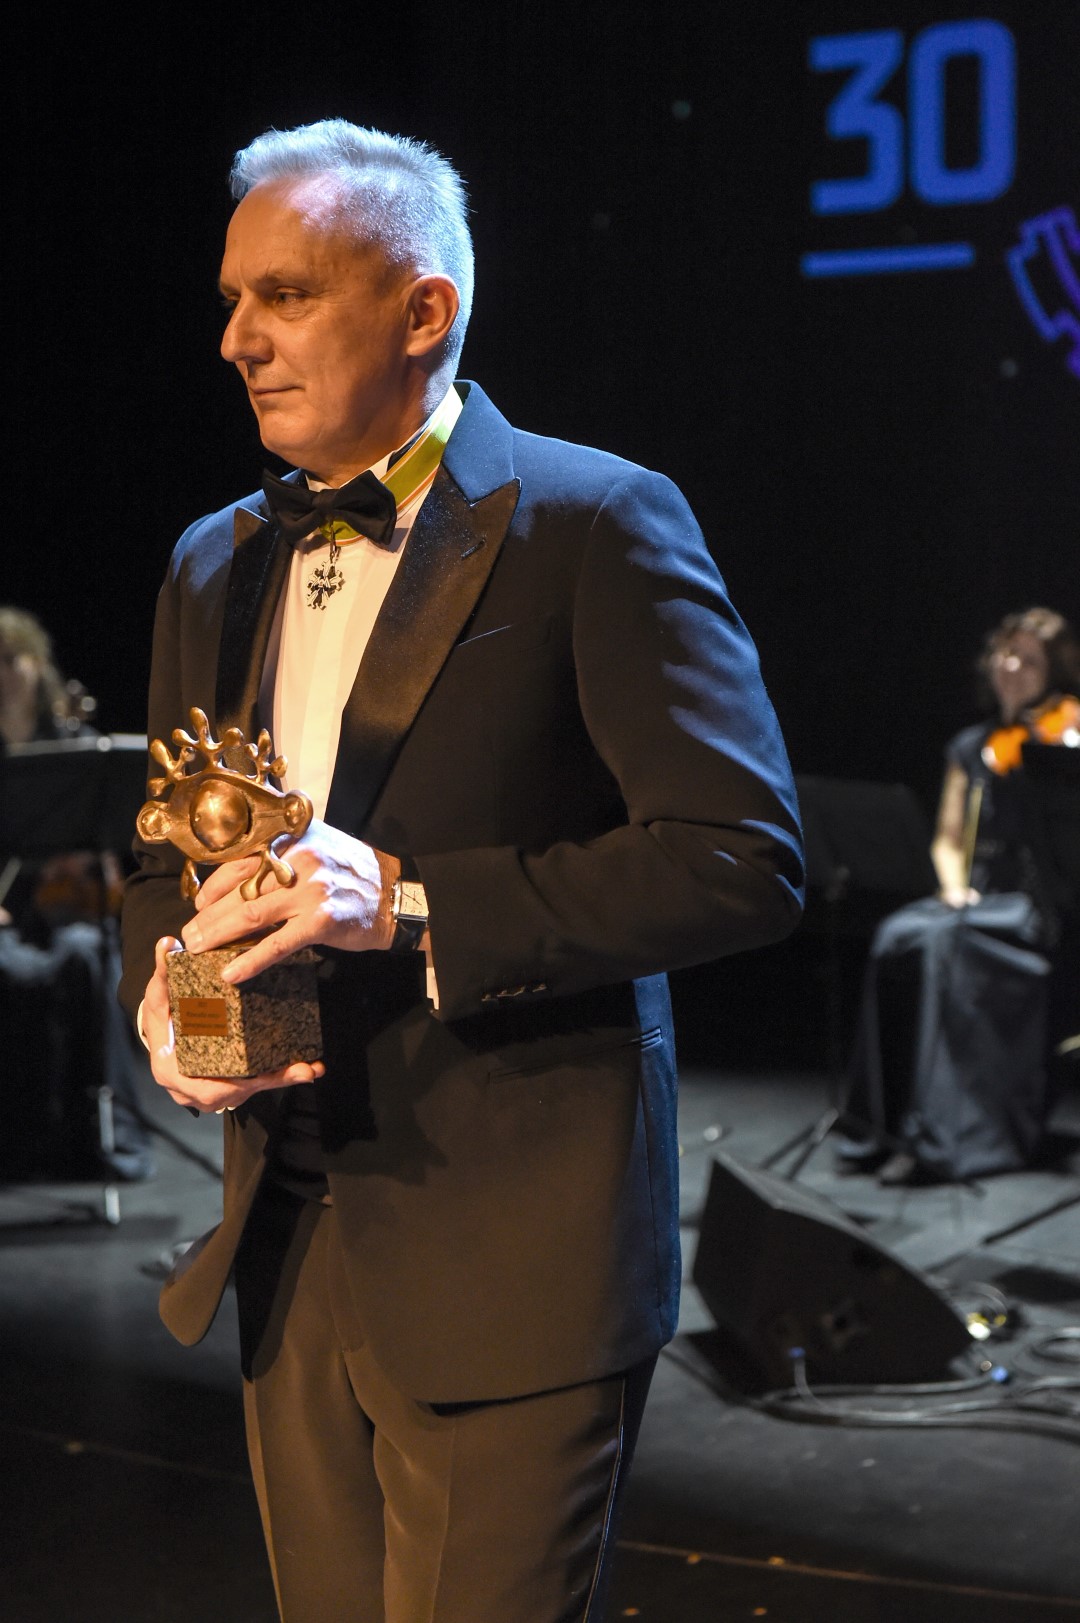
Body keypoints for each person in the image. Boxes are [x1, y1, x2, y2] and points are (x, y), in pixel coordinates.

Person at [118, 118, 804, 1622]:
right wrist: (166, 1006)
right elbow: (164, 856)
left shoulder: (595, 520)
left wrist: (414, 900)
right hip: (286, 1246)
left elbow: (741, 857)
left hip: (515, 1261)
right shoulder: (209, 559)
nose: (237, 341)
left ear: (424, 310)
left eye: (286, 296)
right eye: (232, 301)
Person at [836, 606, 1080, 1187]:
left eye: (1030, 659)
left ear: (1054, 670)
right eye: (1007, 654)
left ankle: (939, 1134)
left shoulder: (1063, 736)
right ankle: (878, 1124)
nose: (1013, 667)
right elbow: (948, 839)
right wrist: (953, 887)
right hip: (980, 894)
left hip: (1038, 900)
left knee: (947, 944)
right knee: (898, 934)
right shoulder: (971, 747)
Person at [0, 605, 155, 1183]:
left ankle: (90, 1130)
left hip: (66, 914)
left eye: (10, 659)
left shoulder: (76, 747)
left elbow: (108, 843)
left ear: (36, 665)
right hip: (6, 915)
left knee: (86, 953)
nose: (1, 673)